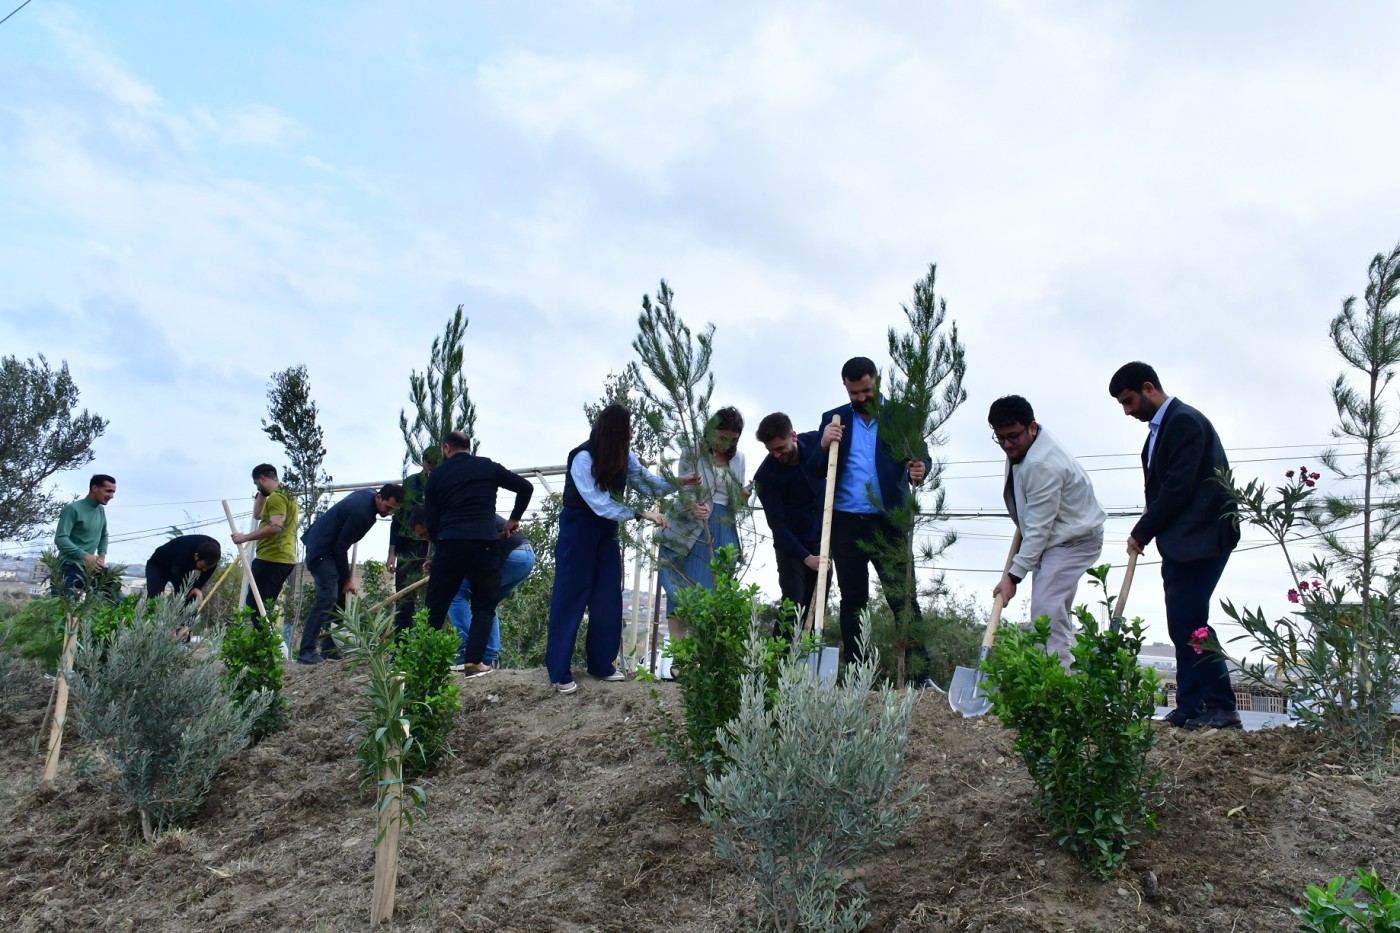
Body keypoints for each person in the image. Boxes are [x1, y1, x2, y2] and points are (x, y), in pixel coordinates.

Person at [1109, 361, 1242, 730]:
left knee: (1192, 623)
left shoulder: (1184, 421)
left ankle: (1221, 706)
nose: (1128, 410)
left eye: (1130, 400)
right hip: (1180, 543)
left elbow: (1178, 489)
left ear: (1149, 387)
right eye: (1122, 404)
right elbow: (1161, 491)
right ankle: (1190, 704)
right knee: (1181, 624)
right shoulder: (1155, 435)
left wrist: (1141, 532)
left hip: (1203, 538)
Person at [545, 404, 697, 694]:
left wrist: (680, 483)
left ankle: (602, 664)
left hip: (607, 530)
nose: (627, 438)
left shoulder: (625, 456)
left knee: (607, 594)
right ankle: (558, 669)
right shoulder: (582, 457)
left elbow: (649, 485)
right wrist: (641, 514)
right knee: (571, 594)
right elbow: (598, 503)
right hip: (579, 528)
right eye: (624, 433)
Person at [806, 356, 937, 687]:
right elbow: (814, 471)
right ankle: (856, 677)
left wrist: (921, 469)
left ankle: (920, 677)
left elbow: (922, 457)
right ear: (846, 389)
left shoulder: (902, 415)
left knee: (903, 598)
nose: (862, 398)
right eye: (855, 393)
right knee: (853, 601)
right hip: (846, 524)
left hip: (889, 521)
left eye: (866, 390)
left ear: (876, 381)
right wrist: (823, 444)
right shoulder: (833, 420)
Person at [987, 396, 1106, 669]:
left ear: (1032, 427)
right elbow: (1035, 521)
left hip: (1074, 541)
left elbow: (1039, 532)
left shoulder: (1042, 464)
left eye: (1012, 436)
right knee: (1053, 613)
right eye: (1000, 438)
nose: (1006, 444)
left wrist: (1012, 577)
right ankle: (1068, 676)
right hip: (1055, 536)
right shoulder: (1026, 446)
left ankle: (1058, 685)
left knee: (1045, 612)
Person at [423, 431, 534, 678]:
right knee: (483, 605)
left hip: (450, 544)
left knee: (436, 606)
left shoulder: (437, 476)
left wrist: (439, 550)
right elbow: (525, 487)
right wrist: (513, 519)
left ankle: (422, 660)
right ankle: (474, 663)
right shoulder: (487, 466)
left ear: (446, 448)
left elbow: (431, 522)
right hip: (483, 545)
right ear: (469, 447)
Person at [655, 406, 748, 639]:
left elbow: (735, 501)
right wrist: (692, 505)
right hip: (690, 527)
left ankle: (701, 658)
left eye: (733, 439)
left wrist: (742, 497)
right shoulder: (692, 451)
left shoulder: (739, 459)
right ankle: (680, 656)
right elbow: (684, 489)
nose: (727, 444)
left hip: (724, 530)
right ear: (711, 431)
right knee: (681, 591)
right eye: (722, 437)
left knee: (715, 593)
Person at [297, 483, 404, 665]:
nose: (389, 513)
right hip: (323, 551)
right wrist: (346, 579)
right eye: (388, 507)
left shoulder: (368, 495)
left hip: (325, 546)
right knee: (327, 596)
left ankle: (330, 649)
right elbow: (340, 547)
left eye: (393, 510)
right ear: (379, 497)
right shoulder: (363, 514)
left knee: (339, 601)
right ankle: (306, 651)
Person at [753, 412, 825, 634]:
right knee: (793, 605)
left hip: (823, 538)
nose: (776, 455)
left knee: (817, 606)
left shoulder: (818, 443)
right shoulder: (765, 476)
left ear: (793, 435)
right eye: (770, 451)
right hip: (791, 546)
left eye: (780, 448)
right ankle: (777, 666)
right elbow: (777, 526)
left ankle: (807, 664)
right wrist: (806, 557)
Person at [443, 512, 536, 670]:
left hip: (510, 555)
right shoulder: (471, 509)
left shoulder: (455, 517)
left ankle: (467, 653)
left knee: (455, 593)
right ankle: (489, 659)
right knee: (487, 603)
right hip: (526, 557)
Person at [230, 464, 299, 615]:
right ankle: (267, 637)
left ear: (262, 478)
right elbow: (258, 514)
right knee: (264, 608)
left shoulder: (277, 497)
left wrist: (245, 538)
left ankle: (265, 638)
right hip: (284, 559)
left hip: (271, 559)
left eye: (257, 484)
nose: (257, 488)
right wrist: (262, 492)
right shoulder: (287, 495)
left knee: (255, 607)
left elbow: (275, 527)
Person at [386, 448, 440, 634]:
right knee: (404, 599)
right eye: (427, 468)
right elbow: (397, 519)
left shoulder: (445, 482)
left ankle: (428, 646)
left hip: (433, 546)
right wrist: (391, 553)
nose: (429, 472)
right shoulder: (410, 484)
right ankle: (402, 648)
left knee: (433, 600)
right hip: (408, 547)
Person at [52, 474, 116, 597]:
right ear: (94, 488)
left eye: (113, 492)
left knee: (115, 599)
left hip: (90, 569)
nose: (111, 496)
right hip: (68, 568)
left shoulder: (100, 510)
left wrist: (101, 556)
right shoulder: (72, 509)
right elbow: (60, 539)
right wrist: (85, 556)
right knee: (62, 611)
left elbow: (104, 535)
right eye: (108, 491)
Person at [145, 534, 222, 602]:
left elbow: (210, 569)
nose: (204, 570)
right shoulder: (184, 554)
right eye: (202, 567)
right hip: (159, 565)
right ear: (196, 556)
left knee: (191, 596)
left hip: (179, 565)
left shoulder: (214, 555)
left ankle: (187, 618)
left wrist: (198, 587)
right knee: (154, 598)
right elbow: (178, 579)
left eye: (207, 568)